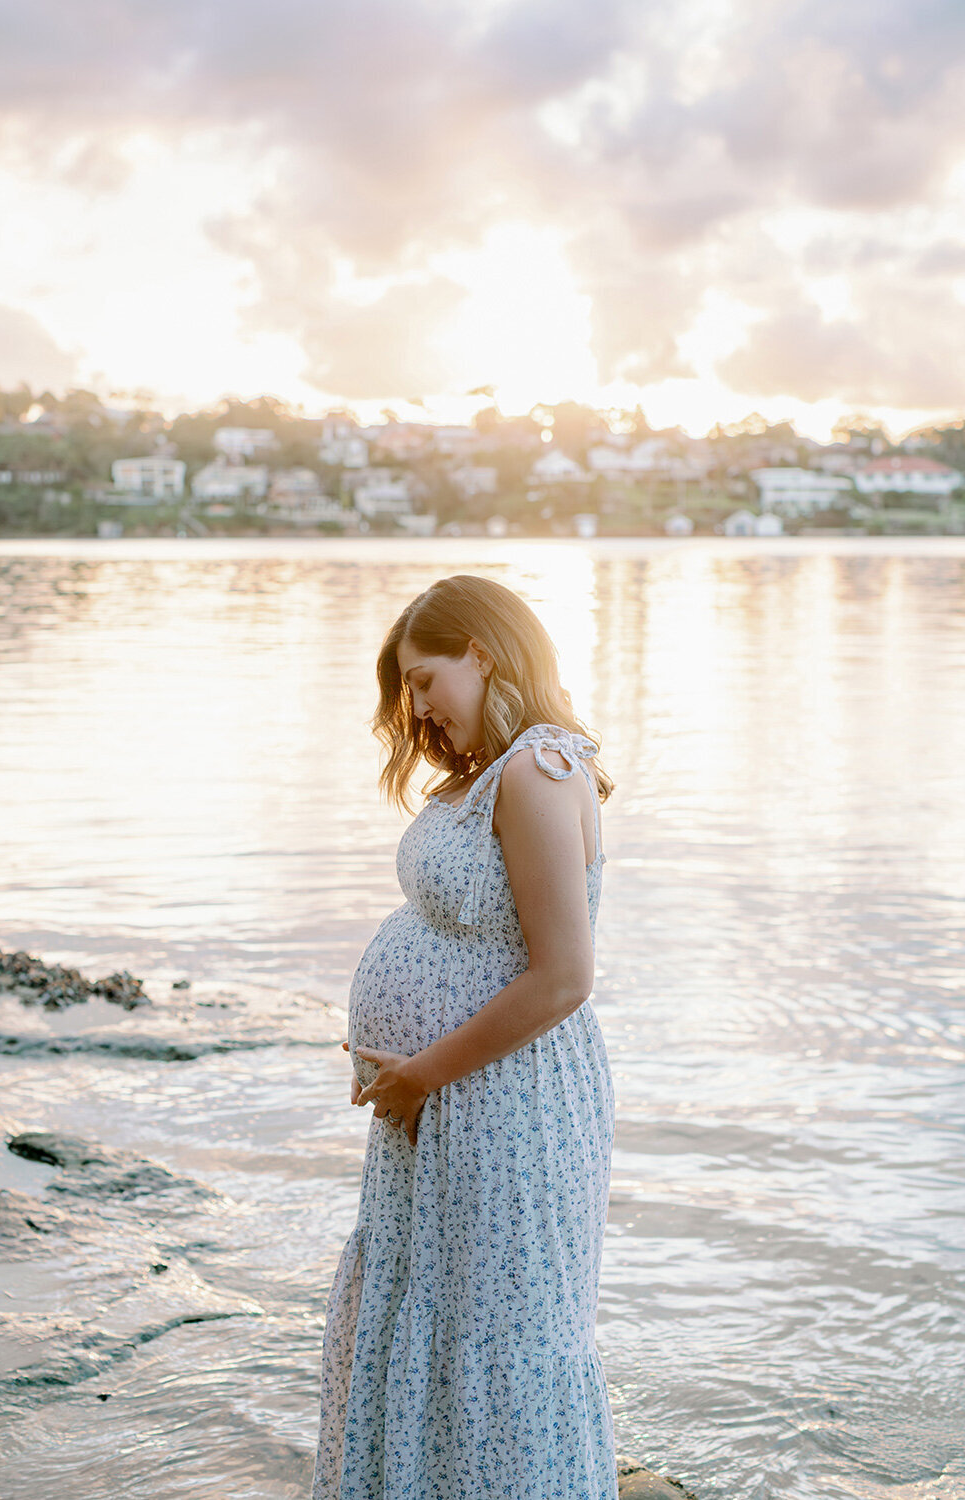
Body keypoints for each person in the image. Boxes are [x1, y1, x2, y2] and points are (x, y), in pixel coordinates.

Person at [311, 573, 619, 1500]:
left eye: (423, 678)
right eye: (406, 688)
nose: (415, 706)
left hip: (502, 1103)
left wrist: (421, 1073)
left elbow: (564, 975)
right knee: (433, 1323)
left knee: (494, 1333)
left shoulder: (536, 771)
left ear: (481, 653)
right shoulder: (489, 772)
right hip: (444, 1104)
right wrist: (410, 1080)